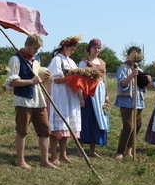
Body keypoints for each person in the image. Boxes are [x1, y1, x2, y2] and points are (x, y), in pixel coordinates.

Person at [6, 34, 57, 170]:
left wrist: (43, 78)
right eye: (34, 48)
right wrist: (31, 81)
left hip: (38, 101)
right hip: (23, 101)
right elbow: (12, 82)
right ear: (27, 45)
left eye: (38, 49)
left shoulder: (35, 61)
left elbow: (38, 79)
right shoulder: (16, 59)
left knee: (45, 130)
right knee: (22, 131)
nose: (36, 51)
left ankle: (44, 160)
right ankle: (20, 161)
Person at [48, 36, 82, 165]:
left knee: (67, 126)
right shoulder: (57, 60)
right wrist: (70, 78)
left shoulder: (72, 62)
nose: (72, 52)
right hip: (60, 95)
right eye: (71, 49)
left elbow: (76, 78)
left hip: (70, 96)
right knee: (57, 127)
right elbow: (55, 79)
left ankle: (63, 154)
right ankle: (54, 155)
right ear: (65, 47)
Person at [115, 46, 150, 160]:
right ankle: (119, 152)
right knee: (128, 126)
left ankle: (128, 150)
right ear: (128, 55)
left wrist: (147, 79)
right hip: (127, 101)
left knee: (137, 126)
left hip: (138, 101)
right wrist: (131, 76)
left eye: (137, 54)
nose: (135, 56)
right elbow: (122, 84)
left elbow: (143, 85)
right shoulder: (123, 67)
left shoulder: (139, 69)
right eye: (133, 54)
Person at [79, 39, 110, 157]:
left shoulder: (102, 62)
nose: (97, 50)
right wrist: (81, 97)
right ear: (90, 48)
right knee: (86, 120)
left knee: (97, 120)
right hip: (88, 93)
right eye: (95, 47)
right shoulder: (84, 62)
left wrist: (106, 95)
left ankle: (92, 150)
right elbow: (80, 80)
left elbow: (104, 79)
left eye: (99, 48)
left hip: (100, 94)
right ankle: (81, 149)